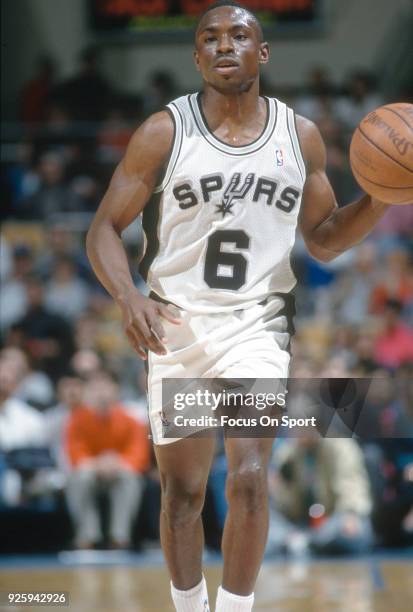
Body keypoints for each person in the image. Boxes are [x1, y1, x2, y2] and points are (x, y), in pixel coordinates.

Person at [86, 2, 396, 610]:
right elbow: (102, 229)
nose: (224, 45)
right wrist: (127, 297)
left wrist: (385, 194)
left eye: (238, 35)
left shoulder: (297, 135)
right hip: (175, 325)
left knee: (250, 476)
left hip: (258, 323)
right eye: (210, 38)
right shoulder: (163, 132)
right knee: (182, 494)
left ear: (263, 52)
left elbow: (326, 237)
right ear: (196, 55)